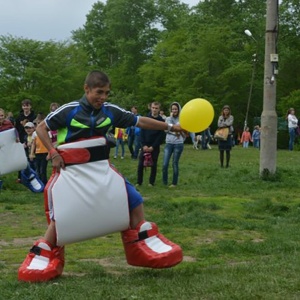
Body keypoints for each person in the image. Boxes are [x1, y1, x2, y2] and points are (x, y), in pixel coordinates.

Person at [18, 70, 183, 282]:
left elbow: (139, 121)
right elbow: (41, 128)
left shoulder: (110, 111)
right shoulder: (69, 110)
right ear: (87, 89)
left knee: (133, 199)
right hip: (72, 172)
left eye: (106, 93)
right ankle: (46, 251)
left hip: (101, 168)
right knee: (63, 215)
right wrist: (53, 152)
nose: (103, 97)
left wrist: (170, 127)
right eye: (99, 92)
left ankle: (141, 242)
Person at [136, 102, 165, 187]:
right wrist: (144, 145)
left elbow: (161, 136)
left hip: (154, 146)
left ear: (159, 109)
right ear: (150, 108)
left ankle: (151, 182)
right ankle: (139, 182)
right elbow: (142, 133)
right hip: (145, 144)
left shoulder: (161, 121)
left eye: (156, 108)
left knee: (154, 164)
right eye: (153, 108)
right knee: (140, 164)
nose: (154, 110)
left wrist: (153, 146)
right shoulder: (146, 118)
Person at [162, 102, 185, 188]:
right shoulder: (168, 118)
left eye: (176, 109)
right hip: (168, 143)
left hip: (178, 144)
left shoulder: (182, 119)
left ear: (179, 110)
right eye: (173, 109)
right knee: (165, 163)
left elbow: (182, 129)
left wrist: (176, 129)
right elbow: (166, 129)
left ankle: (174, 183)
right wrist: (176, 130)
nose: (174, 110)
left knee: (175, 163)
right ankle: (164, 182)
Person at [15, 99, 36, 182]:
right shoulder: (19, 117)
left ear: (30, 106)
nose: (25, 107)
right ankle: (20, 177)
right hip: (21, 139)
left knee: (31, 158)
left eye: (27, 105)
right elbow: (16, 129)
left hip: (32, 139)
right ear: (22, 107)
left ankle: (33, 176)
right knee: (21, 158)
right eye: (24, 105)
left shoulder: (34, 116)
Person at [30, 114, 49, 185]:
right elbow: (33, 144)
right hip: (37, 153)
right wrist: (31, 153)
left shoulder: (47, 132)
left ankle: (44, 183)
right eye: (38, 123)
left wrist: (50, 152)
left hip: (45, 152)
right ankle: (39, 183)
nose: (39, 124)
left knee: (42, 170)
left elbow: (48, 142)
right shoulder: (34, 133)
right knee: (37, 169)